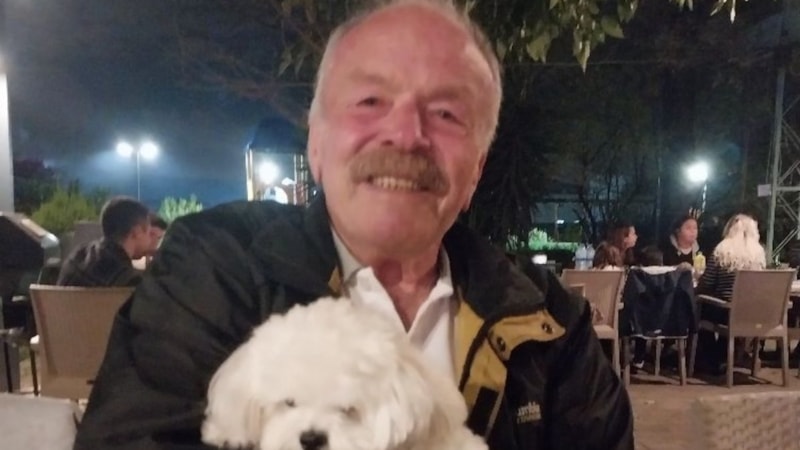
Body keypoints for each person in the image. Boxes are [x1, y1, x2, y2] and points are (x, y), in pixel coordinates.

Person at [73, 2, 634, 449]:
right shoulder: (214, 267)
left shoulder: (550, 321)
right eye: (370, 100)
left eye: (446, 114)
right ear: (316, 145)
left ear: (477, 170)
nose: (405, 134)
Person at [696, 214, 766, 372]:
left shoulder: (722, 250)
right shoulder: (758, 253)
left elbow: (707, 282)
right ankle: (726, 356)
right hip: (753, 313)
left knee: (701, 307)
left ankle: (707, 359)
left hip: (726, 312)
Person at [56, 196, 152, 287]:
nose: (150, 239)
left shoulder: (76, 258)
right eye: (149, 233)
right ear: (137, 232)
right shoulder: (128, 279)